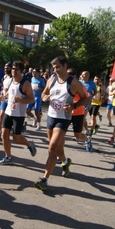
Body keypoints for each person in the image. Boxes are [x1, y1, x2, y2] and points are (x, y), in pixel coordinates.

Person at [34, 57, 87, 191]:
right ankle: (66, 162)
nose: (55, 70)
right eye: (53, 67)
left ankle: (44, 179)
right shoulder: (51, 80)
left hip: (63, 119)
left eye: (58, 67)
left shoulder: (74, 83)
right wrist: (45, 97)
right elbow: (44, 94)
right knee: (57, 148)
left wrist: (74, 105)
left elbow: (87, 98)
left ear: (65, 66)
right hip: (51, 117)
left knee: (52, 148)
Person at [0, 61, 36, 165]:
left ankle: (29, 144)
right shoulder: (10, 81)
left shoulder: (25, 84)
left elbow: (32, 99)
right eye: (12, 68)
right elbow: (8, 94)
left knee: (16, 138)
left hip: (18, 115)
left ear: (21, 71)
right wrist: (3, 96)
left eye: (16, 69)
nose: (13, 71)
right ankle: (8, 157)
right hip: (8, 112)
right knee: (4, 135)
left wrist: (21, 101)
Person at [68, 68, 92, 152]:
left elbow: (86, 98)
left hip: (78, 113)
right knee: (60, 133)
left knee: (77, 135)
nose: (68, 76)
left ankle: (87, 140)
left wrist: (75, 105)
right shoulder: (64, 84)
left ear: (74, 76)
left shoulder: (79, 85)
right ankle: (58, 155)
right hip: (66, 113)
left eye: (70, 74)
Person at [80, 71, 97, 136]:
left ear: (88, 76)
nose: (84, 76)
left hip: (87, 101)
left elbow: (95, 92)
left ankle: (80, 133)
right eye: (83, 75)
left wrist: (91, 95)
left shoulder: (92, 83)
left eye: (85, 75)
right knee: (82, 117)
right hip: (79, 100)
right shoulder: (79, 82)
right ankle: (87, 130)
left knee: (82, 117)